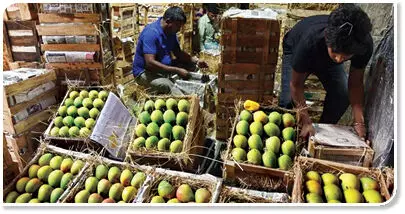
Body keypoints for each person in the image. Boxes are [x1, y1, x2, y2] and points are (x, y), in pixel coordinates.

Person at [279, 4, 373, 140]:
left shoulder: (362, 45)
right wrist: (306, 120)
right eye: (335, 53)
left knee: (342, 93)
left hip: (325, 59)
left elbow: (355, 84)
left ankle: (320, 133)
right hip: (296, 47)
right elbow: (296, 85)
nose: (340, 59)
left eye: (346, 56)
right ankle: (291, 138)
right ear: (327, 39)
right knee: (288, 102)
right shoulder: (309, 41)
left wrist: (359, 122)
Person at [133, 6, 208, 95]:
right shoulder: (151, 33)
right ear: (168, 21)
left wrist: (195, 60)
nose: (179, 29)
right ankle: (188, 101)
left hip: (162, 68)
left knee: (191, 66)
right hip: (145, 72)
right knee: (168, 85)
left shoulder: (170, 32)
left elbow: (178, 53)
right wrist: (176, 70)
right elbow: (150, 63)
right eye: (178, 26)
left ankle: (200, 92)